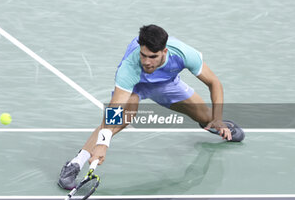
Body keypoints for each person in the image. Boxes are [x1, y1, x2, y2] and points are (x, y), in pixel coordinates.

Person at [58, 24, 245, 190]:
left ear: (164, 51)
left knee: (206, 118)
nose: (147, 61)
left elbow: (214, 83)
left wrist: (218, 118)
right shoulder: (129, 67)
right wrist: (103, 144)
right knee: (122, 120)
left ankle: (215, 125)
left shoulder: (184, 53)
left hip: (167, 85)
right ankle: (75, 163)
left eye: (153, 57)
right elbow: (114, 109)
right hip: (136, 86)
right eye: (143, 55)